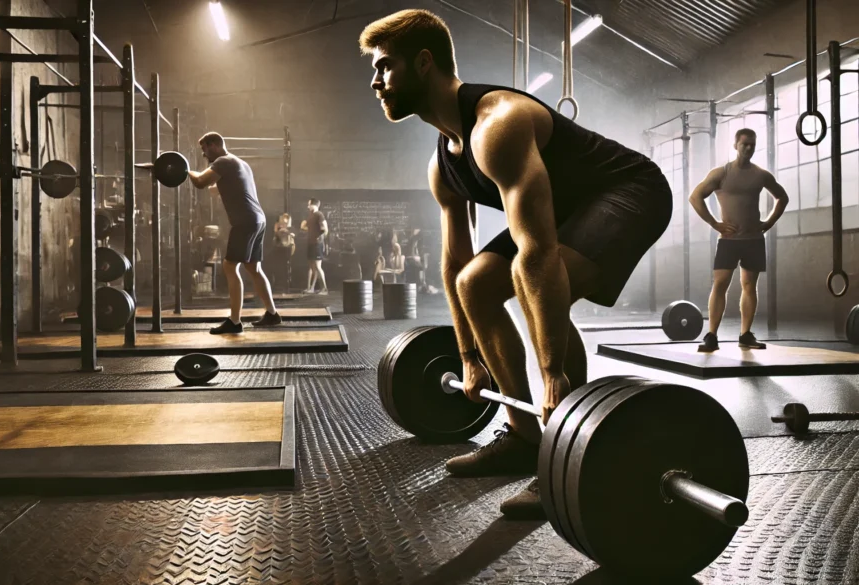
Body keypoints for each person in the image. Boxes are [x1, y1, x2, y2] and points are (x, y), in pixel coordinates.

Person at [359, 10, 673, 519]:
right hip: (568, 207)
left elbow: (537, 254)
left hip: (627, 191)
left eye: (385, 67)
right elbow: (455, 263)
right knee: (476, 282)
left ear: (422, 63)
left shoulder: (497, 125)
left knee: (540, 286)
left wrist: (551, 375)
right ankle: (526, 436)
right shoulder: (444, 162)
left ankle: (567, 453)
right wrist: (467, 355)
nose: (376, 82)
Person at [688, 127, 789, 352]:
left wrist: (768, 223)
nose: (749, 148)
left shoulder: (760, 175)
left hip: (753, 239)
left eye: (752, 144)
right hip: (729, 240)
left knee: (749, 286)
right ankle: (712, 336)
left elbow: (782, 197)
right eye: (745, 144)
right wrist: (714, 223)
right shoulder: (721, 173)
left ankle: (745, 335)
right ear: (735, 146)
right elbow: (695, 197)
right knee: (720, 284)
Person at [187, 132, 282, 333]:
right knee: (253, 268)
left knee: (230, 266)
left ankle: (235, 322)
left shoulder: (222, 161)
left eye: (204, 149)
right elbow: (215, 188)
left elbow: (201, 183)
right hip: (258, 219)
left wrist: (185, 169)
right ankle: (272, 314)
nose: (204, 154)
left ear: (214, 145)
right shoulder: (239, 163)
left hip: (245, 221)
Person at [301, 199, 329, 294]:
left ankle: (324, 289)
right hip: (311, 243)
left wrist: (319, 237)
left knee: (318, 266)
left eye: (309, 205)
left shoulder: (319, 214)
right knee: (312, 267)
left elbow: (325, 229)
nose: (308, 207)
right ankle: (311, 288)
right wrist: (303, 226)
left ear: (314, 205)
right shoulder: (311, 216)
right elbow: (307, 228)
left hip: (317, 244)